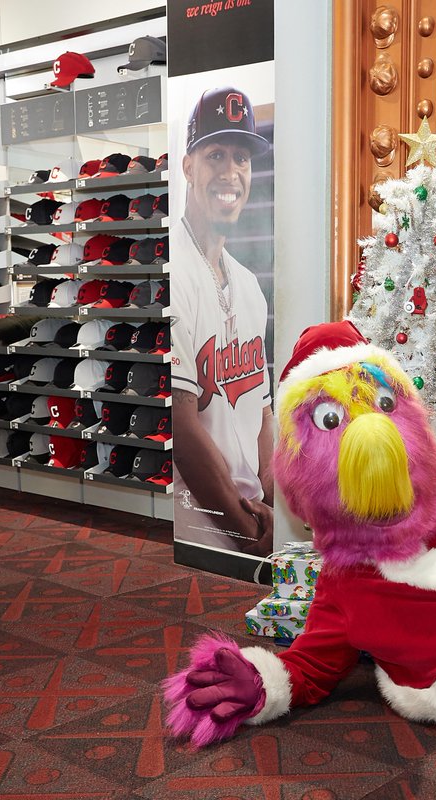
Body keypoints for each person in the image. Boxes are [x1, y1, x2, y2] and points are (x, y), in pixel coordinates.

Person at [171, 86, 274, 555]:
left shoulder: (249, 285)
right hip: (199, 526)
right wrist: (242, 527)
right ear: (188, 165)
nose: (230, 172)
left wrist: (278, 511)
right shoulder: (171, 269)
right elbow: (181, 423)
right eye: (215, 154)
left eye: (241, 157)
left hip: (254, 521)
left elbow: (262, 414)